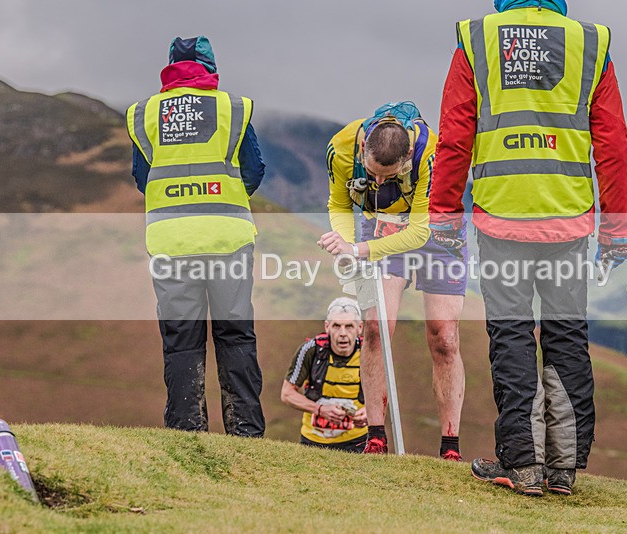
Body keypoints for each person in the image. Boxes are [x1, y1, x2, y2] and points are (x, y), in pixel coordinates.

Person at [429, 0, 627, 495]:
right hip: (569, 223)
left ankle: (521, 465)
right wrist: (617, 230)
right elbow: (612, 144)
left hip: (502, 219)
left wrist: (443, 219)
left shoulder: (477, 39)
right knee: (566, 336)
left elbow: (456, 139)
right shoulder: (590, 43)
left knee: (513, 336)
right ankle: (562, 469)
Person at [126, 36, 266, 437]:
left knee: (182, 337)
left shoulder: (145, 114)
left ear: (169, 66)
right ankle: (246, 432)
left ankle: (187, 430)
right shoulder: (232, 108)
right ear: (210, 66)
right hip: (228, 237)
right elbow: (253, 169)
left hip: (171, 241)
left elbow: (142, 176)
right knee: (234, 332)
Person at [317, 102, 467, 460]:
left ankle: (450, 446)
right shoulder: (341, 147)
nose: (379, 182)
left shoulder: (431, 153)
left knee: (444, 337)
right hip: (379, 224)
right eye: (372, 174)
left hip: (437, 230)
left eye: (390, 175)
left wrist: (360, 249)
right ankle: (376, 437)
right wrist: (346, 244)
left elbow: (417, 233)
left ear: (407, 159)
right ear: (364, 150)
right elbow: (338, 205)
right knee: (376, 328)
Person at [281, 298, 369, 452]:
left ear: (360, 327)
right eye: (336, 326)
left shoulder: (370, 353)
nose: (343, 333)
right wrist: (320, 409)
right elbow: (287, 394)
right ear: (327, 326)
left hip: (357, 440)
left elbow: (386, 393)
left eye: (349, 326)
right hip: (313, 440)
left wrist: (371, 412)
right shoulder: (310, 350)